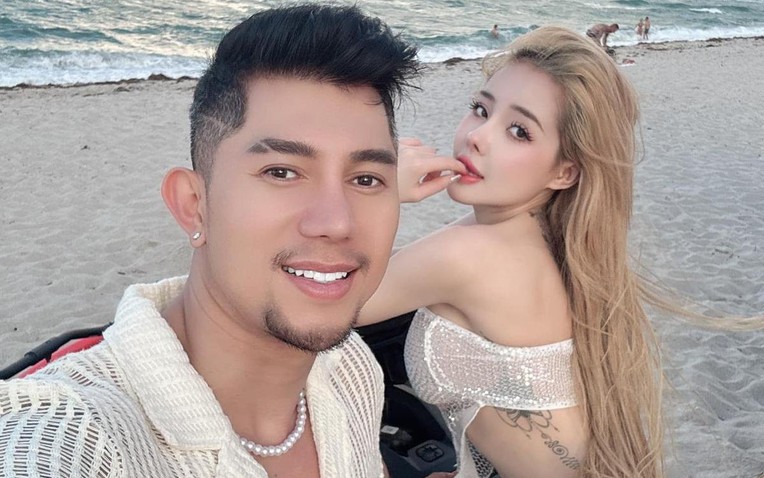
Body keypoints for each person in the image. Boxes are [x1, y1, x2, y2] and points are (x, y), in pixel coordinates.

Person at [0, 4, 420, 477]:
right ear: (193, 204)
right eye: (281, 172)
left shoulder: (349, 368)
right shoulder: (68, 439)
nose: (336, 222)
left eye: (366, 179)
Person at [359, 25, 665, 477]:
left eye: (519, 131)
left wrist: (372, 188)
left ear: (564, 172)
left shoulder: (470, 255)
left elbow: (314, 307)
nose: (478, 136)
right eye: (481, 109)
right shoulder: (548, 239)